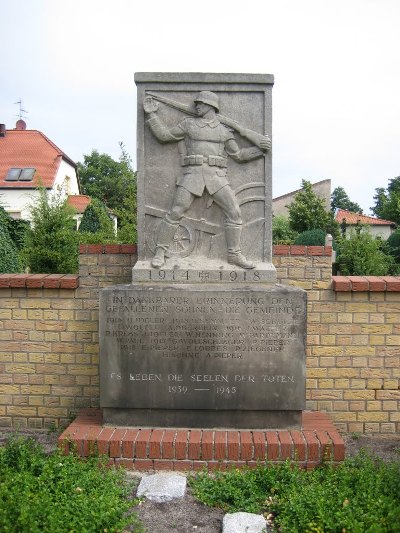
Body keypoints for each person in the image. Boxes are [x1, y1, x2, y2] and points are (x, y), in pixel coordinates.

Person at [143, 90, 270, 269]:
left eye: (200, 103)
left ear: (211, 106)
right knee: (176, 212)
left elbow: (239, 155)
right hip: (192, 174)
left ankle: (234, 255)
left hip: (217, 176)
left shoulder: (224, 131)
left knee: (234, 213)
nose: (197, 106)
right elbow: (164, 136)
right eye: (196, 103)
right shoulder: (188, 124)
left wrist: (261, 150)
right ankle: (160, 252)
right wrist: (151, 114)